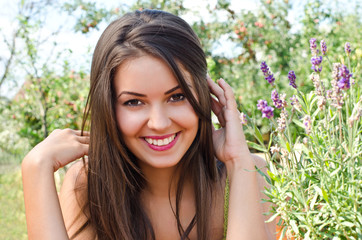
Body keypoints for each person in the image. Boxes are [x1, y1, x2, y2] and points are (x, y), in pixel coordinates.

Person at [22, 9, 275, 240]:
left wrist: (238, 161)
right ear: (108, 107)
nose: (159, 123)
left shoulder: (248, 173)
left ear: (204, 95)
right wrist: (36, 168)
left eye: (177, 97)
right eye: (134, 102)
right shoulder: (90, 184)